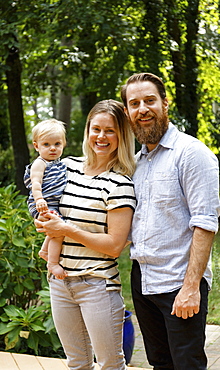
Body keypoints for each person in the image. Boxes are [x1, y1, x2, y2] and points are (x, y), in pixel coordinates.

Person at [121, 72, 220, 370]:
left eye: (150, 100)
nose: (143, 109)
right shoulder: (136, 162)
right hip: (143, 281)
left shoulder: (192, 154)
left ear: (165, 104)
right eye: (134, 103)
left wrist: (191, 286)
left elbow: (205, 222)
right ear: (127, 113)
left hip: (179, 282)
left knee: (187, 364)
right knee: (160, 363)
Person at [34, 99, 136, 370]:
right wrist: (42, 220)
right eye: (96, 129)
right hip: (60, 282)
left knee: (109, 364)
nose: (101, 137)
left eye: (110, 131)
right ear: (87, 130)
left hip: (97, 286)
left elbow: (114, 246)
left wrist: (66, 229)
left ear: (121, 136)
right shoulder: (65, 167)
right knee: (77, 363)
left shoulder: (120, 183)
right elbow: (46, 204)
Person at [24, 119, 68, 280]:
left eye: (57, 144)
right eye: (46, 144)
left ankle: (44, 251)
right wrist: (39, 199)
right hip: (42, 203)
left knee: (57, 227)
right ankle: (53, 262)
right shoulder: (40, 163)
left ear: (63, 144)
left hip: (52, 203)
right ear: (37, 146)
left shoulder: (61, 164)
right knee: (59, 231)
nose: (52, 148)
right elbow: (35, 183)